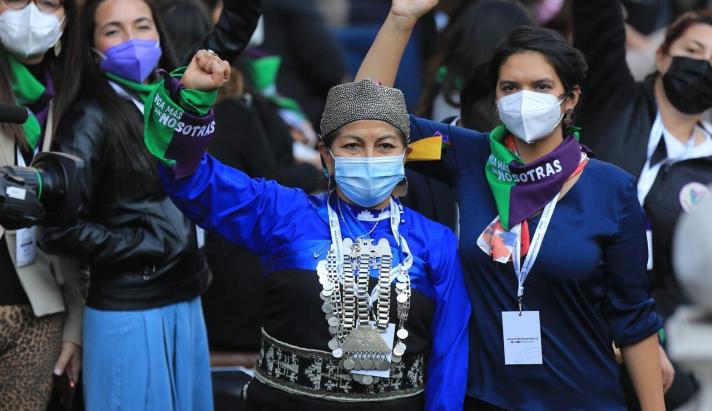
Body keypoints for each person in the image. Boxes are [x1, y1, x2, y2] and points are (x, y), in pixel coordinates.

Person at [356, 0, 665, 410]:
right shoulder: (467, 154)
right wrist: (399, 20)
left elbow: (634, 320)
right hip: (485, 398)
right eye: (510, 87)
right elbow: (367, 115)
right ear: (496, 98)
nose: (524, 98)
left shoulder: (611, 188)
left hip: (585, 400)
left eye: (541, 87)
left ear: (570, 98)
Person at [140, 43, 470, 409]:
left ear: (405, 156)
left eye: (385, 145)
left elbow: (449, 360)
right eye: (353, 145)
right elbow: (192, 182)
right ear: (326, 157)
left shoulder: (435, 242)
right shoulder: (284, 213)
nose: (370, 157)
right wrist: (193, 103)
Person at [41, 0, 260, 409]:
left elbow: (232, 32)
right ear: (91, 45)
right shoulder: (90, 117)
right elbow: (58, 228)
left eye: (142, 26)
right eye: (114, 31)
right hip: (127, 307)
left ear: (160, 35)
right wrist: (142, 247)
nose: (133, 40)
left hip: (185, 295)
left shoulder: (171, 93)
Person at [572, 0, 712, 407]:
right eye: (694, 49)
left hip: (660, 336)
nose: (704, 65)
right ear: (662, 54)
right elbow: (596, 7)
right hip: (574, 299)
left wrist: (652, 342)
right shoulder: (613, 97)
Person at [0, 0, 84, 411]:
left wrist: (75, 330)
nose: (30, 12)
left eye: (47, 2)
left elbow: (74, 229)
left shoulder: (72, 101)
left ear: (65, 19)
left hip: (40, 312)